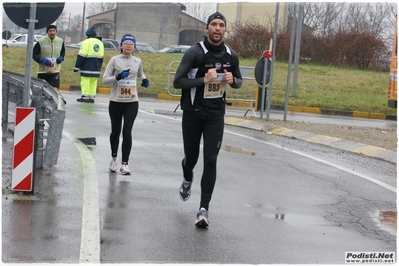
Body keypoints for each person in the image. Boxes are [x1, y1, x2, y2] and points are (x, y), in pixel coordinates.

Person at [173, 11, 242, 228]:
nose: (218, 28)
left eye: (221, 25)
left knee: (211, 160)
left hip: (215, 115)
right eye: (214, 24)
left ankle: (203, 210)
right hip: (193, 114)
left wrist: (234, 81)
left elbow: (239, 81)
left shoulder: (231, 55)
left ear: (224, 29)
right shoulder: (195, 52)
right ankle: (187, 177)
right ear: (207, 29)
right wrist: (204, 79)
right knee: (191, 158)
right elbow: (178, 82)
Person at [102, 34, 150, 175]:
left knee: (127, 131)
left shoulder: (138, 61)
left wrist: (145, 80)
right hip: (116, 101)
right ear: (121, 46)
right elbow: (104, 80)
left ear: (134, 47)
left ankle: (125, 164)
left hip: (131, 102)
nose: (129, 46)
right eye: (126, 43)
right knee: (115, 131)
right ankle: (114, 158)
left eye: (131, 44)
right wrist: (117, 77)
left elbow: (141, 74)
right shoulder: (114, 60)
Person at [74, 27, 104, 103]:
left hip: (87, 65)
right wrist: (99, 66)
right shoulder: (100, 43)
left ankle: (85, 96)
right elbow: (102, 57)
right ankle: (91, 96)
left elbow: (81, 55)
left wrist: (76, 67)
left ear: (87, 35)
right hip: (97, 66)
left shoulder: (86, 42)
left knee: (85, 81)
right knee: (93, 81)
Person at [33, 24, 65, 90]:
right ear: (47, 32)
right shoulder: (41, 41)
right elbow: (34, 54)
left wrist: (61, 58)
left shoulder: (60, 41)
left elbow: (63, 53)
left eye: (54, 31)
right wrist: (42, 60)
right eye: (50, 31)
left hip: (55, 71)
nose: (52, 33)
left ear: (56, 32)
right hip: (42, 71)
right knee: (42, 91)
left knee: (55, 91)